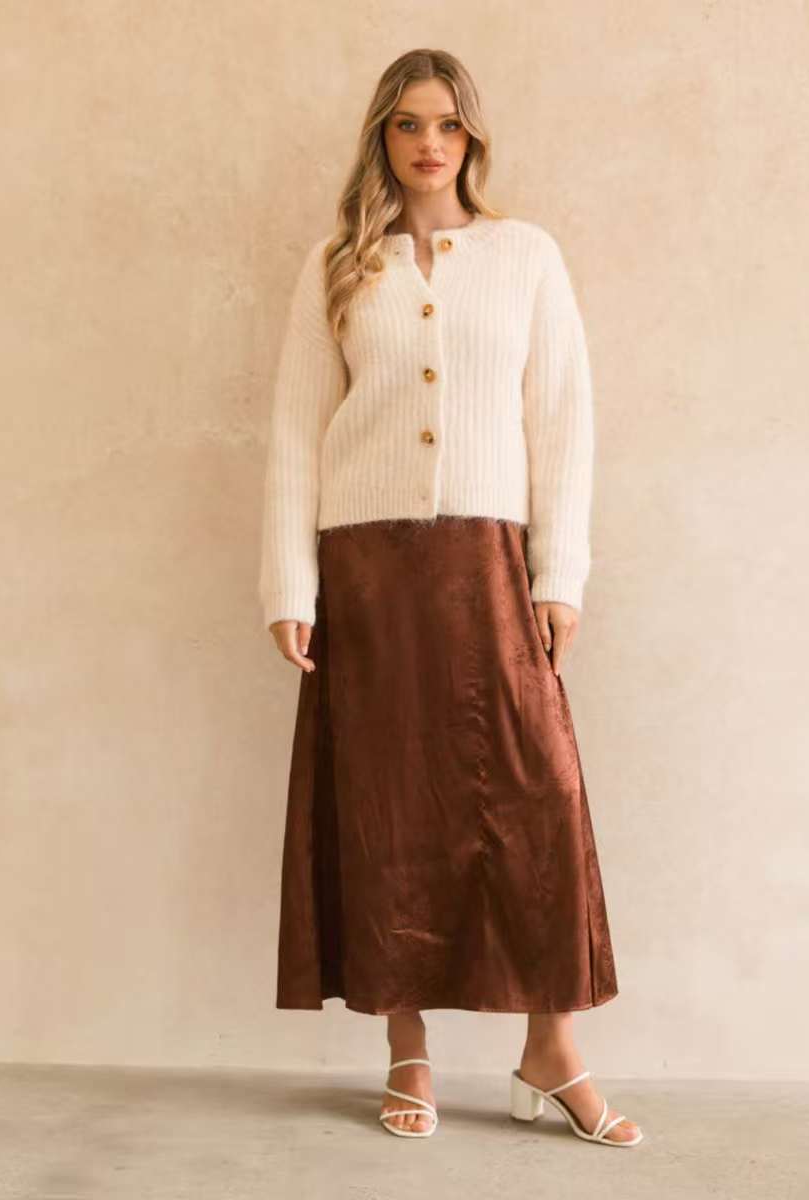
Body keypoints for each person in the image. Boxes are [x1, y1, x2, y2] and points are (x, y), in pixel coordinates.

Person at [258, 47, 643, 1147]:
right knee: (388, 806)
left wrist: (559, 574)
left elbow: (563, 420)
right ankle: (406, 1045)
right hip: (366, 569)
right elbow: (296, 427)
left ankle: (550, 1048)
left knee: (539, 799)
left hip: (490, 562)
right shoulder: (338, 262)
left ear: (473, 137)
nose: (429, 144)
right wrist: (290, 581)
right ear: (381, 137)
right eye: (408, 124)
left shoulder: (526, 257)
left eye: (447, 124)